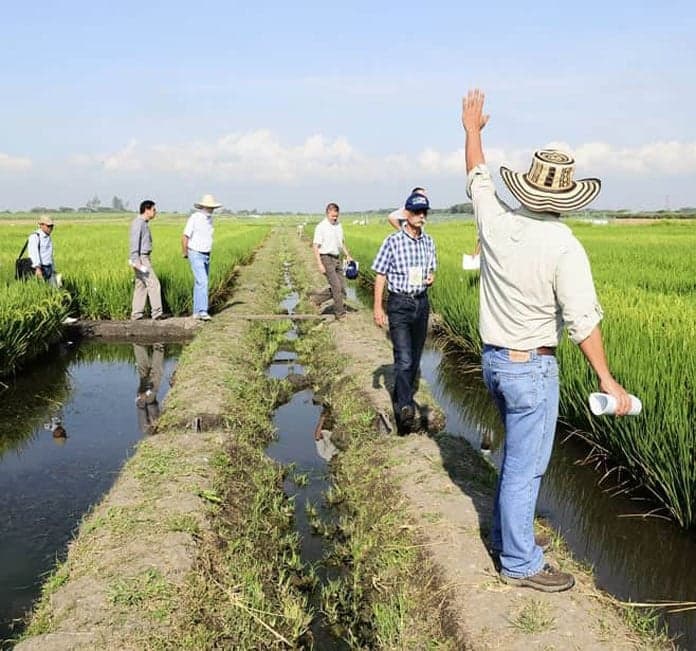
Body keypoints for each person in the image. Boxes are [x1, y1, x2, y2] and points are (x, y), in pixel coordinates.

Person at [461, 88, 631, 592]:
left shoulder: (494, 219)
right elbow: (582, 321)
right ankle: (520, 563)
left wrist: (472, 130)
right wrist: (607, 379)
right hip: (532, 369)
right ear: (567, 197)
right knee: (525, 468)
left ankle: (508, 537)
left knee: (515, 459)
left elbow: (477, 175)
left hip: (493, 362)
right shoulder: (564, 246)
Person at [372, 191, 436, 432]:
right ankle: (404, 407)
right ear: (406, 214)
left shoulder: (429, 242)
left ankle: (403, 397)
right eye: (417, 212)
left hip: (421, 303)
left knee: (415, 357)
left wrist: (431, 277)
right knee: (404, 358)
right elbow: (380, 275)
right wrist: (378, 307)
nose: (421, 216)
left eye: (424, 212)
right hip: (399, 304)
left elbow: (433, 269)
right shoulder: (393, 241)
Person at [182, 194, 222, 321]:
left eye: (212, 207)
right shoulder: (195, 218)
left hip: (206, 254)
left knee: (199, 283)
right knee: (203, 281)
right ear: (204, 207)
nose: (211, 209)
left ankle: (196, 312)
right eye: (210, 207)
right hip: (195, 253)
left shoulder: (210, 219)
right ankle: (203, 311)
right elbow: (185, 236)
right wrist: (185, 252)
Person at [312, 202, 353, 320]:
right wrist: (319, 264)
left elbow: (342, 243)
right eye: (332, 216)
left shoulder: (338, 225)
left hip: (336, 258)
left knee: (342, 287)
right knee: (336, 286)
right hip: (326, 258)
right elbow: (315, 246)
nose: (335, 218)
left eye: (336, 216)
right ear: (327, 213)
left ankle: (316, 300)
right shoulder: (321, 227)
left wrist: (348, 255)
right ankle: (340, 314)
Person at [130, 200, 164, 320]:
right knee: (154, 284)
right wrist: (136, 260)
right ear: (147, 209)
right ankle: (157, 313)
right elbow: (134, 242)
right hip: (141, 258)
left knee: (141, 286)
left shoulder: (143, 223)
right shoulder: (138, 223)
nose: (155, 212)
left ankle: (136, 314)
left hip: (143, 257)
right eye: (154, 210)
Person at [134, 343, 164, 435]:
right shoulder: (148, 429)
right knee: (144, 373)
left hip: (147, 399)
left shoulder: (146, 429)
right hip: (146, 399)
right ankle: (139, 346)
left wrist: (143, 396)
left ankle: (158, 348)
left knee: (155, 374)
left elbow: (142, 408)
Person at [28, 215, 57, 284]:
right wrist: (37, 268)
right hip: (41, 268)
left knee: (54, 290)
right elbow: (33, 253)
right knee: (42, 290)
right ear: (41, 225)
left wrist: (53, 269)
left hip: (49, 268)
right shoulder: (35, 237)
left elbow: (49, 254)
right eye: (48, 226)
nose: (50, 228)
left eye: (52, 226)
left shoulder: (48, 237)